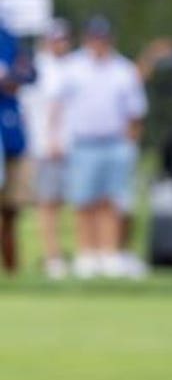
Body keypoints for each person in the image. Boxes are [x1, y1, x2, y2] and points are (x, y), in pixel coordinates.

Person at [52, 16, 147, 279]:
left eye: (102, 39)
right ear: (87, 39)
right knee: (84, 201)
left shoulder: (124, 69)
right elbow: (57, 106)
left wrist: (130, 144)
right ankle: (87, 255)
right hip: (83, 143)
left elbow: (136, 113)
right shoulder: (73, 68)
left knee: (113, 201)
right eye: (94, 38)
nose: (98, 44)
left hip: (115, 142)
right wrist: (55, 138)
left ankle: (109, 254)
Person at [19, 19, 72, 278]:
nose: (59, 44)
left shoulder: (72, 66)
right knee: (47, 203)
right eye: (55, 39)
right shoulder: (37, 68)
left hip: (73, 146)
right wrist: (45, 141)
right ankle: (52, 257)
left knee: (73, 203)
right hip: (45, 147)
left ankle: (73, 255)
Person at [0, 16, 35, 277]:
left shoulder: (8, 37)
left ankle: (12, 270)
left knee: (11, 208)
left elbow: (29, 73)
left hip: (10, 134)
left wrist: (8, 78)